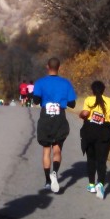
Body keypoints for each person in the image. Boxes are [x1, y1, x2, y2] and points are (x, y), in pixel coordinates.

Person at [32, 57, 76, 193]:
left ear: (47, 66)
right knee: (57, 149)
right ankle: (55, 172)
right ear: (59, 67)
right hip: (60, 117)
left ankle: (47, 181)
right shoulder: (66, 83)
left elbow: (36, 100)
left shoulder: (40, 82)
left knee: (46, 150)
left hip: (46, 117)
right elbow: (72, 103)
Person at [79, 80, 110, 200]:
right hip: (104, 133)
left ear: (92, 90)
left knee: (91, 159)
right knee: (102, 160)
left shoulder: (89, 100)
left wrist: (81, 114)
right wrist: (106, 115)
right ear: (104, 90)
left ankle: (91, 185)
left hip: (90, 132)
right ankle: (101, 184)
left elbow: (85, 113)